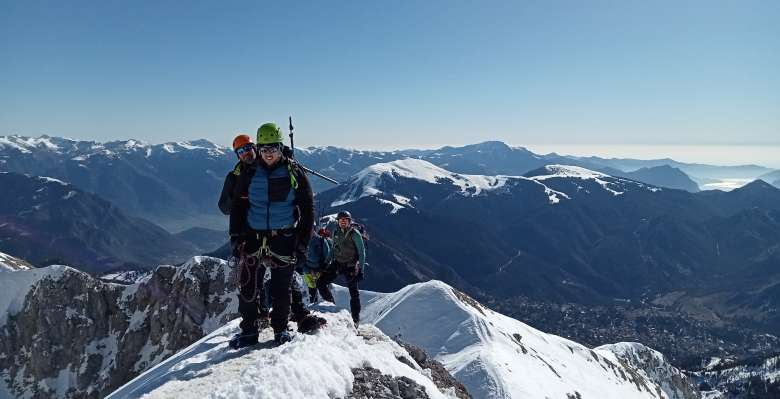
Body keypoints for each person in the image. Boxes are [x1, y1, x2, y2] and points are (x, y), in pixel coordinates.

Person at [228, 122, 314, 348]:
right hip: (253, 237)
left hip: (283, 238)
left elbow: (307, 210)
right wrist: (235, 236)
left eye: (273, 149)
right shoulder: (248, 173)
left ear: (280, 147)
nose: (268, 154)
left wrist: (302, 243)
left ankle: (281, 329)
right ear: (258, 148)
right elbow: (237, 206)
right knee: (248, 288)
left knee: (280, 289)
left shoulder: (294, 172)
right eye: (264, 149)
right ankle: (248, 332)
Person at [316, 210, 366, 327]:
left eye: (345, 220)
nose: (343, 222)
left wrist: (361, 271)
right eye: (341, 220)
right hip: (338, 263)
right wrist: (326, 262)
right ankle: (331, 305)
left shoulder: (355, 234)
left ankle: (355, 320)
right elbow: (333, 249)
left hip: (350, 265)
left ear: (349, 221)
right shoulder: (336, 232)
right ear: (338, 221)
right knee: (321, 283)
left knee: (354, 293)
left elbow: (362, 252)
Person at [303, 228, 333, 303]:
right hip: (309, 269)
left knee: (320, 287)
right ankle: (314, 304)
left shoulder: (322, 241)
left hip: (318, 269)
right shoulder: (304, 240)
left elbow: (328, 256)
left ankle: (329, 303)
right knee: (313, 288)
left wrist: (322, 269)